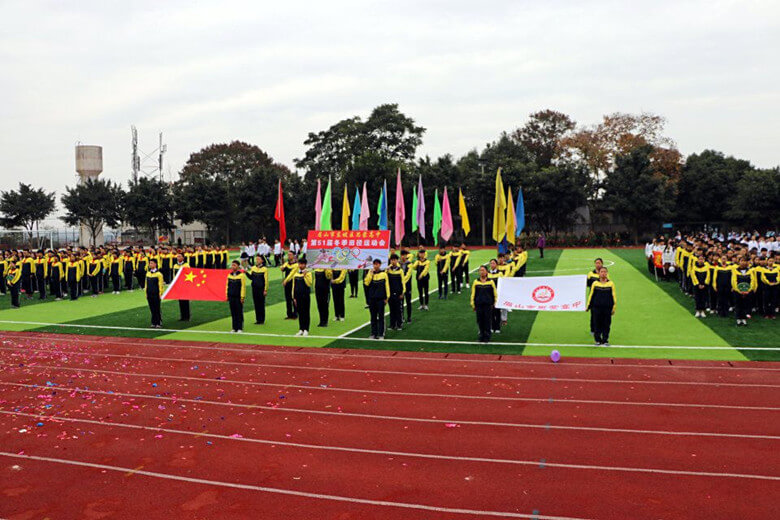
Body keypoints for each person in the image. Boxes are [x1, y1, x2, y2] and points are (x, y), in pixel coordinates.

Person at [586, 266, 616, 346]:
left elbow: (613, 296)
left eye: (605, 272)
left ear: (607, 273)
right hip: (596, 307)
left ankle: (605, 340)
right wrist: (588, 305)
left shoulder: (611, 283)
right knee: (597, 324)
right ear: (599, 273)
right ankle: (597, 340)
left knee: (606, 324)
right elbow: (591, 295)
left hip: (607, 308)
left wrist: (614, 307)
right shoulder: (595, 283)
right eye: (602, 272)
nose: (603, 273)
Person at [285, 257, 312, 336]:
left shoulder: (308, 273)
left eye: (302, 264)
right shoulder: (296, 274)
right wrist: (293, 297)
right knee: (300, 312)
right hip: (298, 296)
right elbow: (294, 286)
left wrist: (305, 275)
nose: (300, 265)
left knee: (306, 312)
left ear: (305, 265)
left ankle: (306, 329)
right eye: (299, 264)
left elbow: (309, 283)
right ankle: (301, 329)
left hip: (305, 296)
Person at [364, 259, 390, 339]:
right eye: (374, 264)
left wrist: (387, 298)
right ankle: (373, 333)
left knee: (381, 317)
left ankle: (381, 334)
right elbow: (366, 283)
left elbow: (387, 286)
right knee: (373, 317)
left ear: (380, 264)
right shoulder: (370, 273)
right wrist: (370, 274)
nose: (376, 265)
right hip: (372, 299)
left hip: (381, 299)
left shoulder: (384, 274)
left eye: (377, 264)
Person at [471, 265, 498, 343]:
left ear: (486, 272)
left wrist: (495, 302)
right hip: (479, 304)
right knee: (480, 320)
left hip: (488, 305)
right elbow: (473, 293)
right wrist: (473, 304)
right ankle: (481, 335)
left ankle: (487, 336)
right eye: (480, 270)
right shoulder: (476, 281)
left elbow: (495, 293)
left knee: (487, 320)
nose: (481, 272)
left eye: (483, 270)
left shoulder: (491, 281)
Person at [732, 257, 756, 326]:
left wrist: (749, 290)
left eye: (745, 261)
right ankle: (738, 319)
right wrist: (738, 290)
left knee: (746, 305)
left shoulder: (750, 271)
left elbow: (752, 281)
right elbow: (733, 281)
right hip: (738, 292)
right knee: (738, 305)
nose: (743, 262)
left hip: (747, 292)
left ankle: (744, 319)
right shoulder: (735, 270)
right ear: (738, 262)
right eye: (742, 261)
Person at [246, 255, 269, 324]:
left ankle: (262, 319)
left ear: (262, 260)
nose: (257, 260)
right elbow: (251, 277)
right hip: (254, 288)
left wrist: (265, 290)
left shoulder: (265, 269)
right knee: (256, 304)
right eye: (256, 259)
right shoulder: (253, 268)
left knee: (261, 304)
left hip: (261, 289)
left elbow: (266, 280)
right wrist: (246, 273)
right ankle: (258, 319)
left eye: (258, 259)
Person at [386, 254, 406, 330]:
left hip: (398, 293)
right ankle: (392, 324)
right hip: (390, 293)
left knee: (398, 309)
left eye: (394, 260)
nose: (393, 261)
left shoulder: (400, 270)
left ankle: (399, 324)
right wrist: (386, 270)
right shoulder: (388, 270)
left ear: (397, 260)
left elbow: (403, 282)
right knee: (391, 309)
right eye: (392, 260)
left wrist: (402, 292)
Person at [226, 260, 246, 333]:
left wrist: (242, 297)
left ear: (238, 266)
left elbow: (243, 287)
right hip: (231, 296)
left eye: (234, 265)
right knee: (233, 312)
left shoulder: (241, 275)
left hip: (238, 297)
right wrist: (227, 295)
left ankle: (240, 327)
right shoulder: (229, 275)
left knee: (239, 312)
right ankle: (234, 327)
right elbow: (227, 286)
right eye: (232, 265)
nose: (232, 266)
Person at [145, 259, 165, 328]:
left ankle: (158, 322)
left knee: (157, 308)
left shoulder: (159, 274)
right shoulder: (148, 273)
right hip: (149, 293)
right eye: (150, 263)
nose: (150, 264)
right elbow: (146, 284)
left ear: (155, 264)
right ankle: (153, 322)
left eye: (152, 263)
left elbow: (160, 284)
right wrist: (146, 293)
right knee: (152, 308)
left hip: (156, 293)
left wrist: (160, 293)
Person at [173, 253, 191, 321]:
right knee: (180, 301)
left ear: (183, 258)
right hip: (178, 285)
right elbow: (174, 275)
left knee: (185, 301)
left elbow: (189, 274)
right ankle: (182, 316)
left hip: (185, 285)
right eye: (177, 256)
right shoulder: (175, 265)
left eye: (180, 256)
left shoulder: (186, 265)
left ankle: (187, 316)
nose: (178, 257)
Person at [487, 259, 503, 334]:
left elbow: (502, 284)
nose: (492, 265)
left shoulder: (500, 273)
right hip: (490, 295)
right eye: (491, 263)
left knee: (497, 312)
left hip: (497, 295)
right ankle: (492, 326)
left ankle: (497, 327)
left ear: (496, 264)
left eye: (493, 263)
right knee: (491, 312)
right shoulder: (487, 273)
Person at [281, 251, 298, 320]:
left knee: (294, 298)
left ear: (294, 256)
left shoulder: (296, 264)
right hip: (287, 284)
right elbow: (282, 268)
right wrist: (282, 267)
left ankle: (295, 314)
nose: (289, 256)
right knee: (288, 299)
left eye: (290, 255)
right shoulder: (287, 263)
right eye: (288, 255)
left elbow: (291, 274)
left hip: (293, 283)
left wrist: (285, 280)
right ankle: (289, 314)